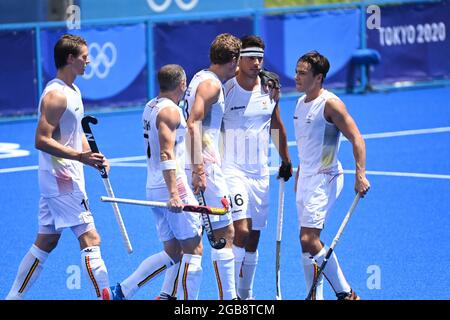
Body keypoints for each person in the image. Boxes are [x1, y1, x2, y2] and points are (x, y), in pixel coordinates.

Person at [5, 34, 111, 300]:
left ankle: (12, 298)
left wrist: (94, 156)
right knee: (91, 238)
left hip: (61, 176)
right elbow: (41, 140)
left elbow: (72, 136)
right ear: (70, 59)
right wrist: (79, 156)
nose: (88, 61)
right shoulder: (56, 96)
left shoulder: (73, 91)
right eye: (84, 57)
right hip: (62, 178)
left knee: (47, 241)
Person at [103, 64, 204, 300]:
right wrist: (174, 194)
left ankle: (125, 291)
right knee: (194, 249)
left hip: (153, 186)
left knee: (174, 251)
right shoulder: (171, 112)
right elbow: (167, 154)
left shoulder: (151, 106)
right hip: (171, 186)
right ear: (182, 84)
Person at [157, 33, 242, 300]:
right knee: (224, 234)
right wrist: (199, 170)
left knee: (196, 242)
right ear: (233, 60)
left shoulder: (201, 77)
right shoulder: (211, 86)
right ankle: (229, 301)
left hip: (197, 162)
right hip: (205, 165)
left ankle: (173, 296)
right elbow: (193, 123)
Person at [293, 51, 370, 300]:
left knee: (309, 239)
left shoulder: (331, 104)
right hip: (306, 178)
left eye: (303, 73)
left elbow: (357, 138)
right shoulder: (299, 103)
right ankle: (314, 296)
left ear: (319, 78)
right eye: (297, 72)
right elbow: (306, 146)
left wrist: (361, 174)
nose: (297, 77)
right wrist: (299, 175)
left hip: (326, 177)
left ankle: (346, 294)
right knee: (305, 245)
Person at [222, 35, 292, 300]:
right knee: (240, 230)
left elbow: (275, 124)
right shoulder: (226, 89)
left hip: (260, 172)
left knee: (253, 238)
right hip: (232, 169)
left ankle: (245, 295)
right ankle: (230, 298)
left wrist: (285, 159)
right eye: (251, 57)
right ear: (239, 59)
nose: (256, 63)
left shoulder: (269, 88)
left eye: (260, 58)